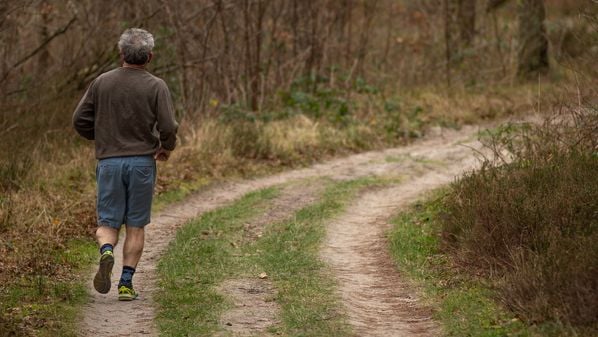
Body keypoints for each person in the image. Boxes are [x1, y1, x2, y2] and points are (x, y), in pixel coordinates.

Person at [72, 28, 178, 301]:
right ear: (150, 57)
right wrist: (166, 147)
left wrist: (103, 137)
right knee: (135, 225)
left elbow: (79, 120)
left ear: (121, 54)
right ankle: (126, 284)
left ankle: (106, 250)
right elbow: (168, 126)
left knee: (108, 221)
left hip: (109, 163)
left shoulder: (101, 82)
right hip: (142, 162)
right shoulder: (157, 86)